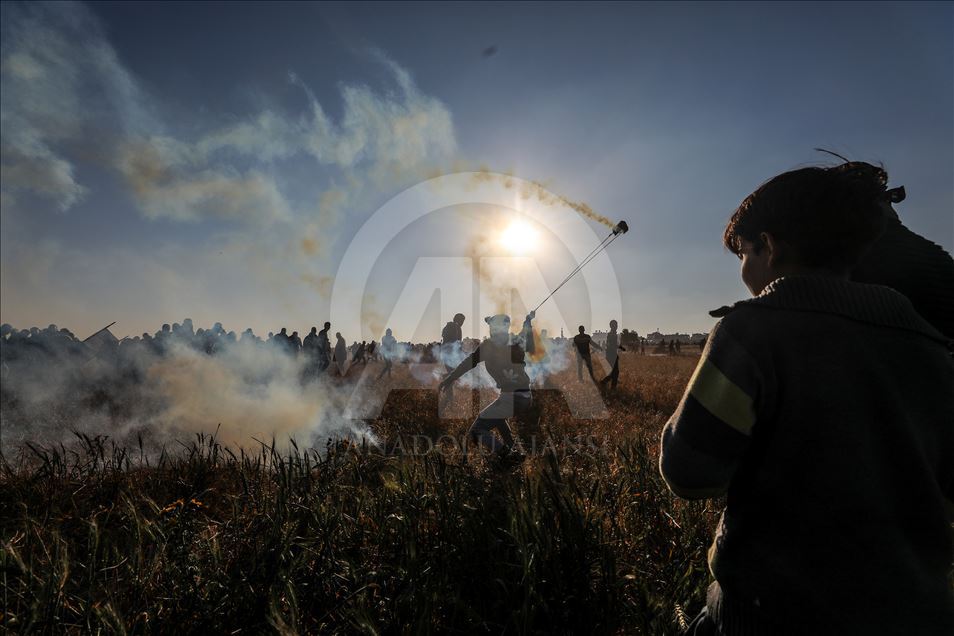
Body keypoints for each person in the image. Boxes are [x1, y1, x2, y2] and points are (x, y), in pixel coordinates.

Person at [661, 161, 954, 634]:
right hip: (913, 614)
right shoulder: (929, 345)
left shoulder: (749, 330)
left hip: (766, 613)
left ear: (770, 247)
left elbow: (690, 474)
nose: (742, 269)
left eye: (743, 253)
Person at [439, 311, 536, 465]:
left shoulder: (489, 346)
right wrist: (528, 321)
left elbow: (468, 363)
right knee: (498, 419)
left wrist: (450, 378)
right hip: (525, 396)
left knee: (476, 430)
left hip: (511, 398)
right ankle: (514, 449)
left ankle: (507, 455)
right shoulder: (515, 340)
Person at [440, 313, 466, 401]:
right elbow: (456, 343)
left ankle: (449, 395)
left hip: (445, 354)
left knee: (453, 373)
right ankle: (449, 396)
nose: (463, 322)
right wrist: (461, 353)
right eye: (462, 320)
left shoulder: (447, 326)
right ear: (458, 320)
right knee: (454, 373)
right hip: (451, 355)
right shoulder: (456, 327)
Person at [598, 320, 626, 391]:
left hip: (611, 354)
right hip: (611, 354)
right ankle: (610, 386)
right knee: (615, 372)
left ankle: (605, 383)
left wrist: (620, 347)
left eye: (616, 325)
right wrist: (616, 352)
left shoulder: (613, 334)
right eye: (615, 325)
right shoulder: (611, 334)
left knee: (613, 372)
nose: (616, 326)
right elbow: (611, 345)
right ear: (611, 326)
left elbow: (614, 344)